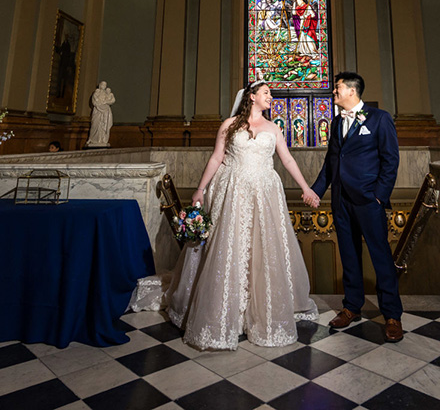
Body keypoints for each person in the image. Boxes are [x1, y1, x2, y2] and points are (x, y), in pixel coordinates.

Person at [166, 80, 319, 350]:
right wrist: (200, 189)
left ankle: (259, 311)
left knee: (263, 249)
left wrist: (306, 188)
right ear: (251, 96)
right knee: (231, 247)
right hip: (234, 193)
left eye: (270, 93)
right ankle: (227, 313)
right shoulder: (229, 125)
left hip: (264, 194)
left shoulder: (273, 128)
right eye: (266, 93)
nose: (270, 97)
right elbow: (216, 158)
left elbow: (287, 160)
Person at [309, 72, 404, 341]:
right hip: (341, 201)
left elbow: (391, 160)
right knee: (349, 256)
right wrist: (316, 191)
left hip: (368, 201)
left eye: (337, 87)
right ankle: (351, 306)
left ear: (352, 91)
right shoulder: (337, 121)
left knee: (381, 257)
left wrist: (379, 196)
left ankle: (392, 315)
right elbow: (331, 162)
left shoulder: (380, 118)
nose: (334, 92)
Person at [86, 81, 115, 148]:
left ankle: (102, 139)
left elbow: (112, 100)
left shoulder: (107, 93)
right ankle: (92, 139)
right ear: (100, 85)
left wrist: (106, 102)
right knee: (95, 124)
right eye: (102, 84)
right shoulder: (97, 92)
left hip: (105, 111)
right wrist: (99, 104)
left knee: (104, 125)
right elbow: (94, 101)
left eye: (105, 85)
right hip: (97, 111)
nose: (103, 86)